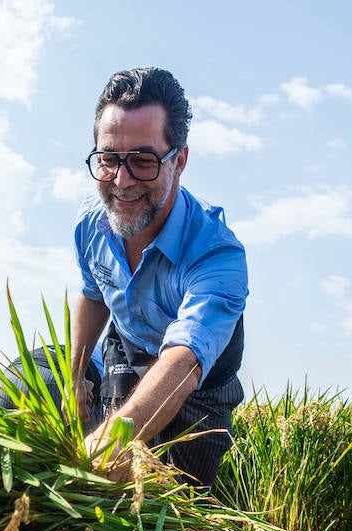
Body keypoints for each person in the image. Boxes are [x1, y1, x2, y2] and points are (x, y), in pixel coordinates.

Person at [70, 67, 247, 490]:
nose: (122, 181)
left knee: (180, 514)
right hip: (128, 351)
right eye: (109, 159)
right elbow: (93, 295)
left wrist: (111, 442)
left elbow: (183, 362)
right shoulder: (90, 226)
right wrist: (74, 376)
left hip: (199, 382)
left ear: (179, 161)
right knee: (113, 497)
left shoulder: (217, 254)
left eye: (144, 162)